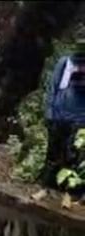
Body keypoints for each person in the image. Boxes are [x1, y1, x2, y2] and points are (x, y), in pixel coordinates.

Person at [42, 44, 85, 190]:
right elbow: (53, 87)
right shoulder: (65, 62)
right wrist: (49, 112)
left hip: (79, 120)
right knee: (53, 152)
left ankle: (67, 190)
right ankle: (47, 186)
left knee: (72, 156)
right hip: (58, 116)